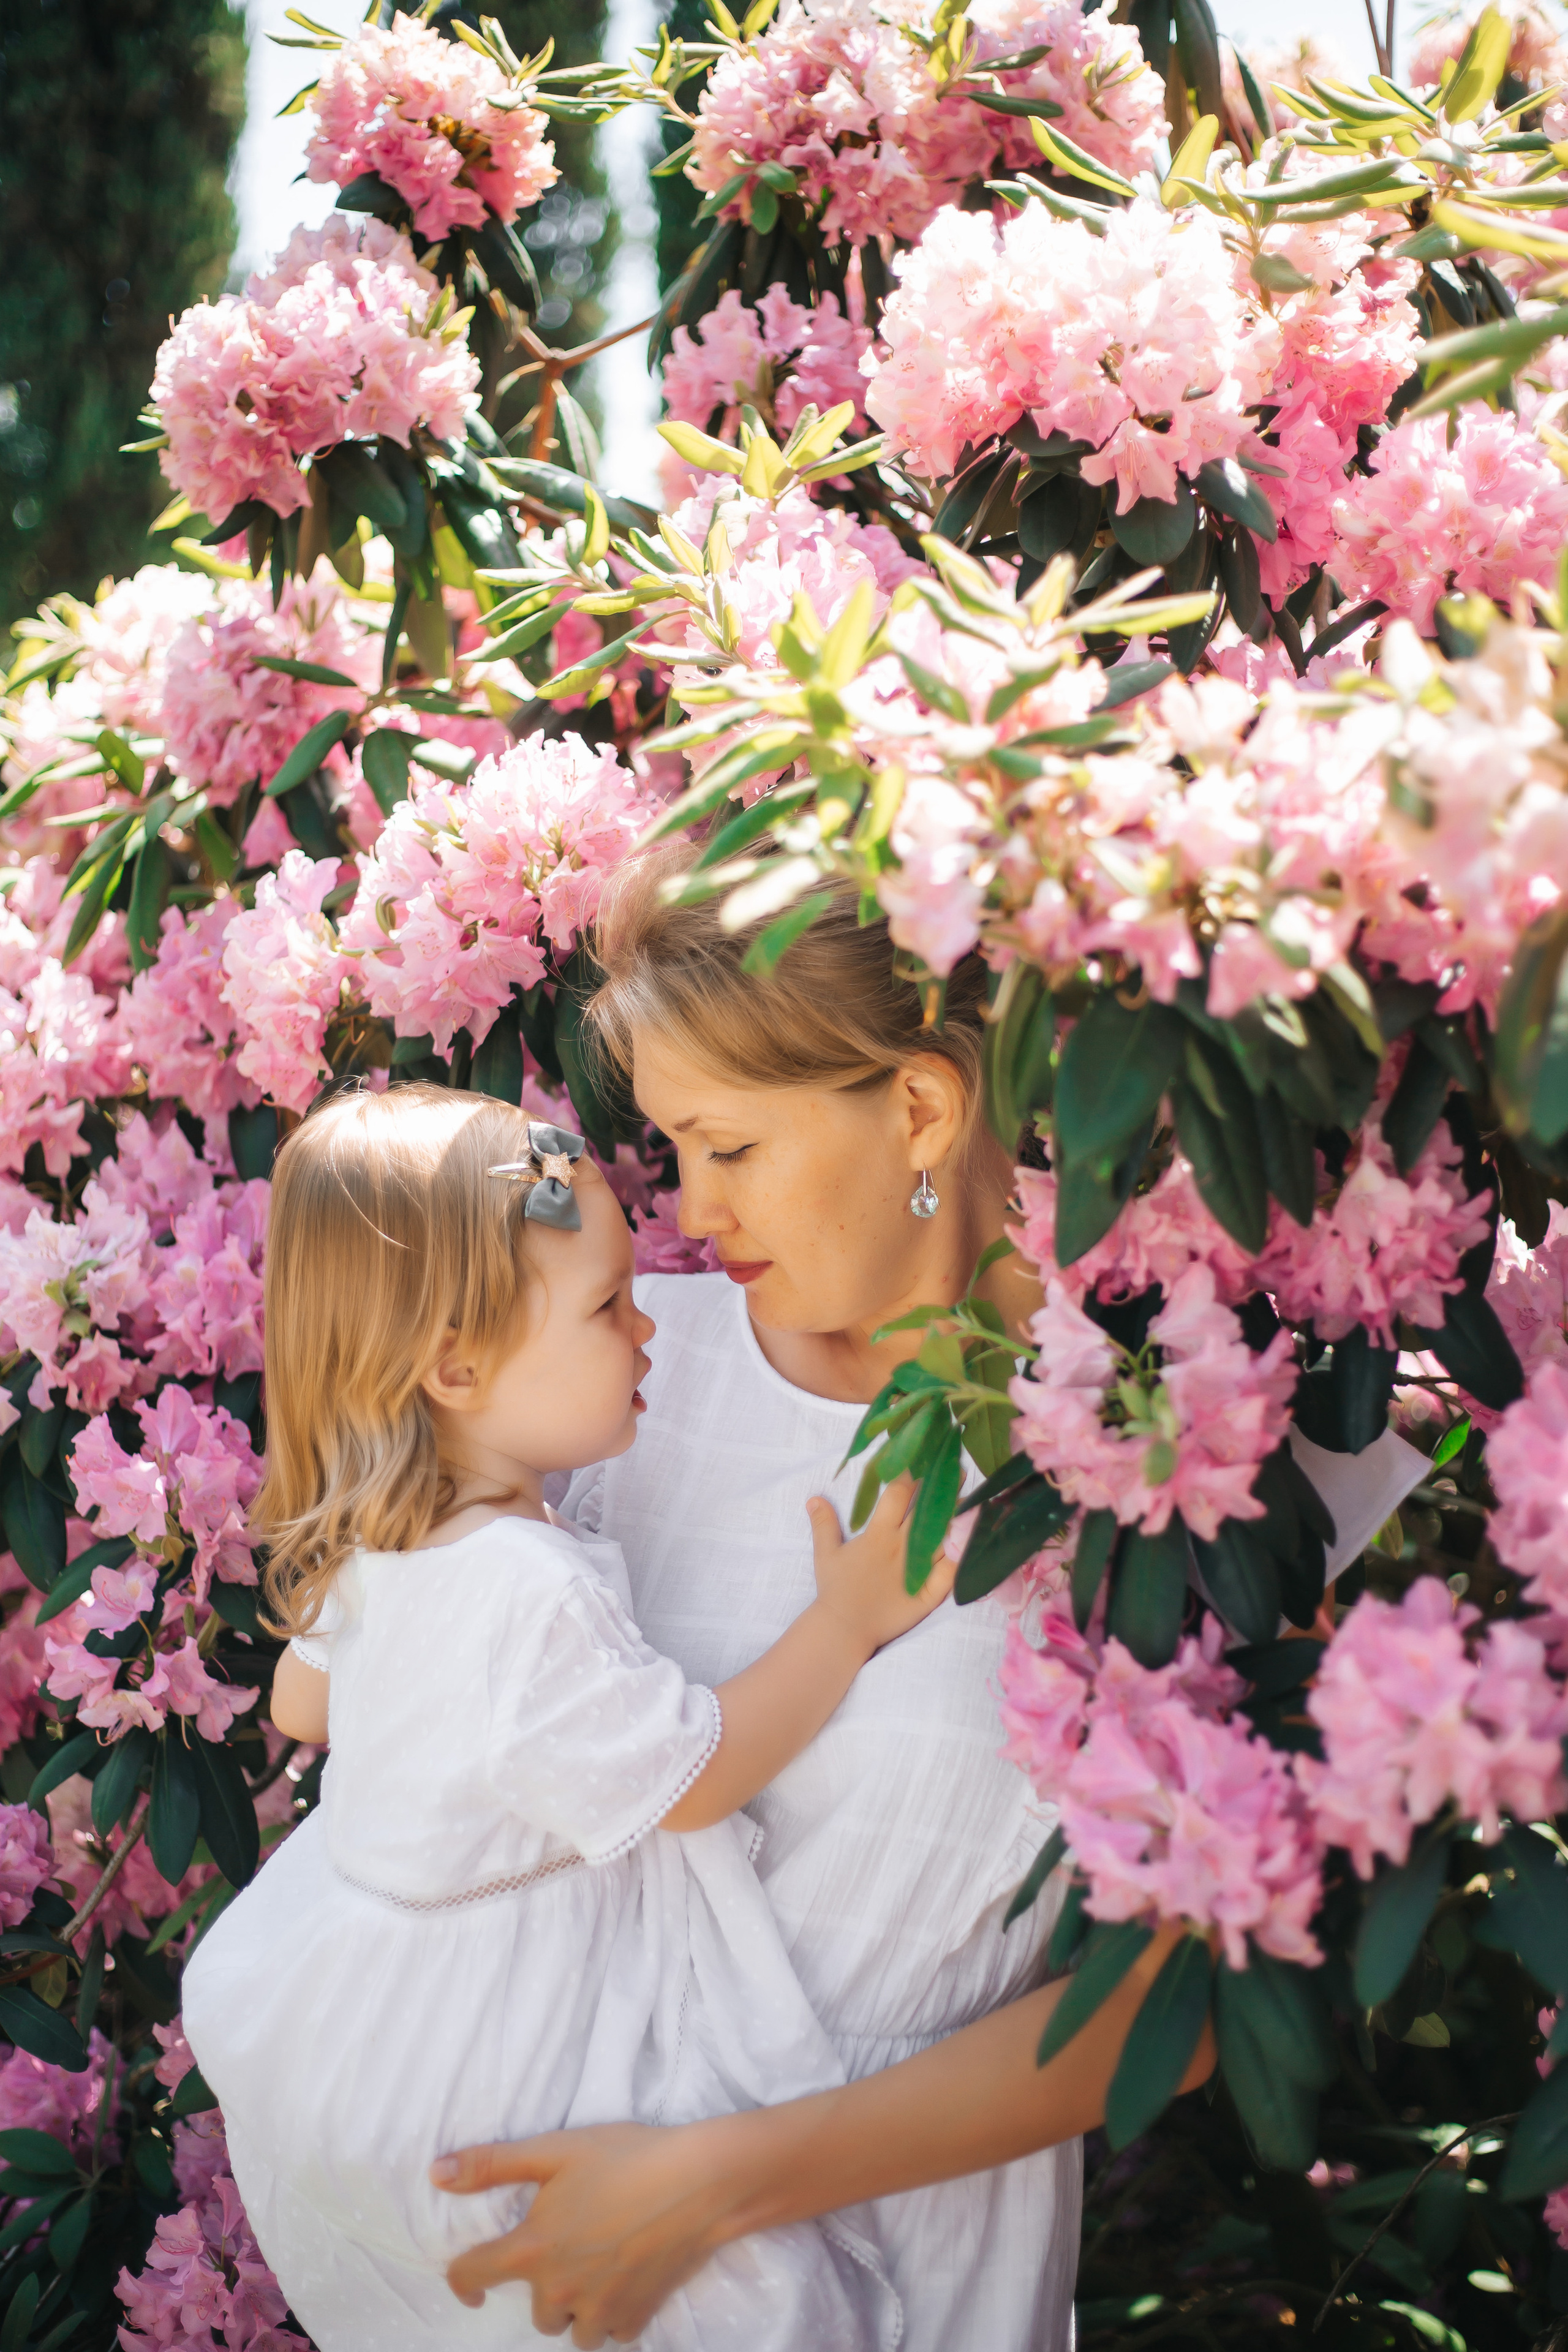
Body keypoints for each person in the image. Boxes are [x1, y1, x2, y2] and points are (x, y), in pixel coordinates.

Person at [428, 861, 1427, 2352]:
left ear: (916, 1109)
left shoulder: (1179, 1435)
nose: (688, 1209)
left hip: (909, 2275)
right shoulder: (613, 1378)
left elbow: (1189, 1991)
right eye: (673, 1150)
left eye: (728, 1145)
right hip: (525, 2273)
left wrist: (713, 2186)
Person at [181, 1080, 954, 2351]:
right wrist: (844, 1624)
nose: (648, 1330)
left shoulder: (382, 1532)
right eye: (606, 1306)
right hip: (493, 2041)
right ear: (457, 1365)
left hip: (347, 2000)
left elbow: (300, 1701)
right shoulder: (522, 1586)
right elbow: (691, 1776)